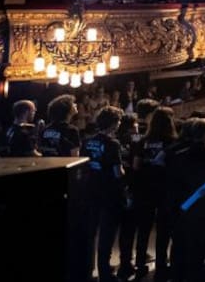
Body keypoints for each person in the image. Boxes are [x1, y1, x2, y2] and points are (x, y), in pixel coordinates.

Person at [168, 117, 205, 282]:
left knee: (194, 255)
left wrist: (183, 207)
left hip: (189, 212)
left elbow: (174, 187)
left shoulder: (179, 157)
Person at [133, 106, 177, 282]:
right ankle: (161, 267)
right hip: (165, 189)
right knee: (163, 230)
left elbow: (136, 166)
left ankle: (140, 265)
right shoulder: (172, 142)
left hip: (145, 189)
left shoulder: (142, 141)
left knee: (143, 229)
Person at [84, 106, 125, 282]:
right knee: (107, 235)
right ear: (114, 123)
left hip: (91, 191)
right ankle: (105, 273)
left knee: (90, 233)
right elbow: (118, 172)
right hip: (109, 193)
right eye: (119, 121)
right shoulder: (113, 144)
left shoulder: (87, 141)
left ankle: (87, 269)